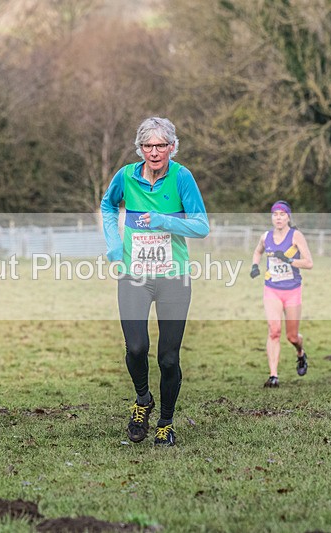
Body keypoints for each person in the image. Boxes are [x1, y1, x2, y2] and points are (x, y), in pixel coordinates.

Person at [101, 117, 209, 447]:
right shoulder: (126, 177)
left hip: (173, 276)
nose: (154, 152)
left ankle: (165, 421)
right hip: (135, 273)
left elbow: (202, 226)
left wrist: (164, 220)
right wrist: (114, 245)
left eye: (161, 145)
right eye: (148, 145)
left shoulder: (182, 178)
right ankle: (142, 400)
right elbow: (107, 205)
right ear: (140, 149)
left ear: (172, 148)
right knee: (135, 347)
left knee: (169, 358)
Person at [250, 200, 313, 388]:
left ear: (288, 217)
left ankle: (300, 354)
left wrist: (288, 259)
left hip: (292, 290)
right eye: (275, 214)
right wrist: (254, 266)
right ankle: (273, 376)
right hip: (272, 290)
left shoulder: (296, 236)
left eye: (282, 214)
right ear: (272, 217)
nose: (278, 218)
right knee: (274, 331)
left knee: (292, 337)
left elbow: (309, 263)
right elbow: (257, 252)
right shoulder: (265, 237)